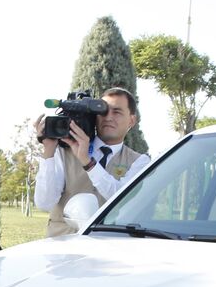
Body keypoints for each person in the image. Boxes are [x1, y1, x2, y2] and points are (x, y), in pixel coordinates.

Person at [33, 87, 149, 237]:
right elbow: (44, 203)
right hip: (61, 248)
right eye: (103, 112)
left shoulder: (139, 161)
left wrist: (87, 162)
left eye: (117, 112)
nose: (108, 117)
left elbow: (120, 198)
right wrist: (48, 151)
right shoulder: (64, 151)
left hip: (109, 248)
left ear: (132, 120)